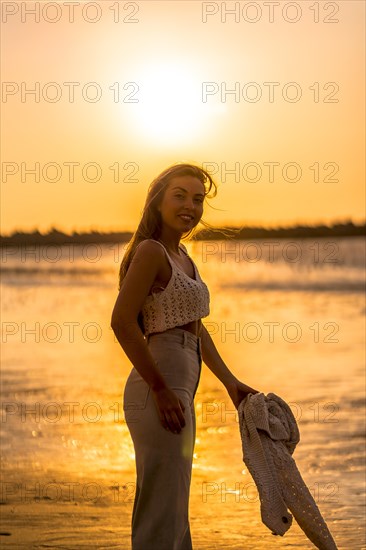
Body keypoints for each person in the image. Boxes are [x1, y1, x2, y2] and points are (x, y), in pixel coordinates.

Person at [111, 163, 258, 550]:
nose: (190, 206)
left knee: (174, 503)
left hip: (180, 382)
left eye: (198, 199)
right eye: (180, 195)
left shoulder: (184, 257)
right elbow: (122, 322)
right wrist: (159, 389)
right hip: (157, 385)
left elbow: (195, 329)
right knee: (161, 508)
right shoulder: (151, 251)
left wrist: (230, 382)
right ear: (158, 201)